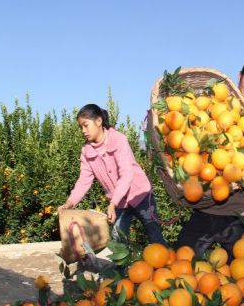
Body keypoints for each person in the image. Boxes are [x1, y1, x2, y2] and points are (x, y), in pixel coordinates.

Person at [175, 56, 244, 259]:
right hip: (206, 209)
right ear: (239, 77)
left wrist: (232, 174)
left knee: (242, 278)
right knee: (181, 264)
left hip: (241, 216)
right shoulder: (214, 107)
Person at [58, 104, 167, 248]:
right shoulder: (87, 151)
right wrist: (70, 202)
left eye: (86, 125)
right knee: (118, 244)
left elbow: (126, 174)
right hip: (118, 203)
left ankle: (165, 267)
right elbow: (84, 181)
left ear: (98, 121)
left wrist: (113, 203)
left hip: (140, 195)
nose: (83, 131)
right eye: (81, 127)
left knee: (155, 235)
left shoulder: (118, 140)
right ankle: (120, 271)